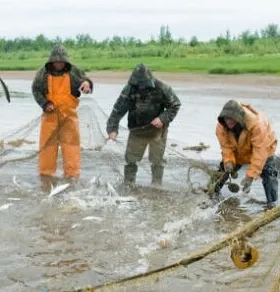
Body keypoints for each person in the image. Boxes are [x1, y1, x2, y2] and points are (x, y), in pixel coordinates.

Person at [106, 64, 181, 186]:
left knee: (157, 160)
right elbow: (117, 110)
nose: (141, 86)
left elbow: (175, 105)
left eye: (143, 84)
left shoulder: (162, 88)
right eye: (138, 84)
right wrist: (112, 129)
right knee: (131, 159)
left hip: (157, 130)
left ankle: (156, 185)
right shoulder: (129, 89)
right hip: (137, 129)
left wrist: (162, 118)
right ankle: (129, 184)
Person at [32, 44, 94, 181]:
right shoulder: (43, 73)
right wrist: (45, 103)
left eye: (61, 61)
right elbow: (35, 90)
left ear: (65, 61)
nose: (59, 64)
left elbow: (85, 80)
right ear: (51, 61)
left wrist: (87, 84)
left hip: (69, 117)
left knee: (71, 147)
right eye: (56, 61)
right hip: (49, 116)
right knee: (47, 147)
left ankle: (72, 177)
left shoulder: (73, 71)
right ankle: (46, 177)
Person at [215, 100, 279, 208]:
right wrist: (228, 161)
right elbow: (226, 147)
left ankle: (272, 204)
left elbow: (260, 152)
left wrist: (250, 176)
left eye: (231, 118)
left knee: (269, 174)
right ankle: (212, 193)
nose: (228, 121)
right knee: (222, 171)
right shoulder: (221, 127)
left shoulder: (257, 125)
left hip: (264, 148)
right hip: (239, 149)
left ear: (239, 117)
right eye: (226, 118)